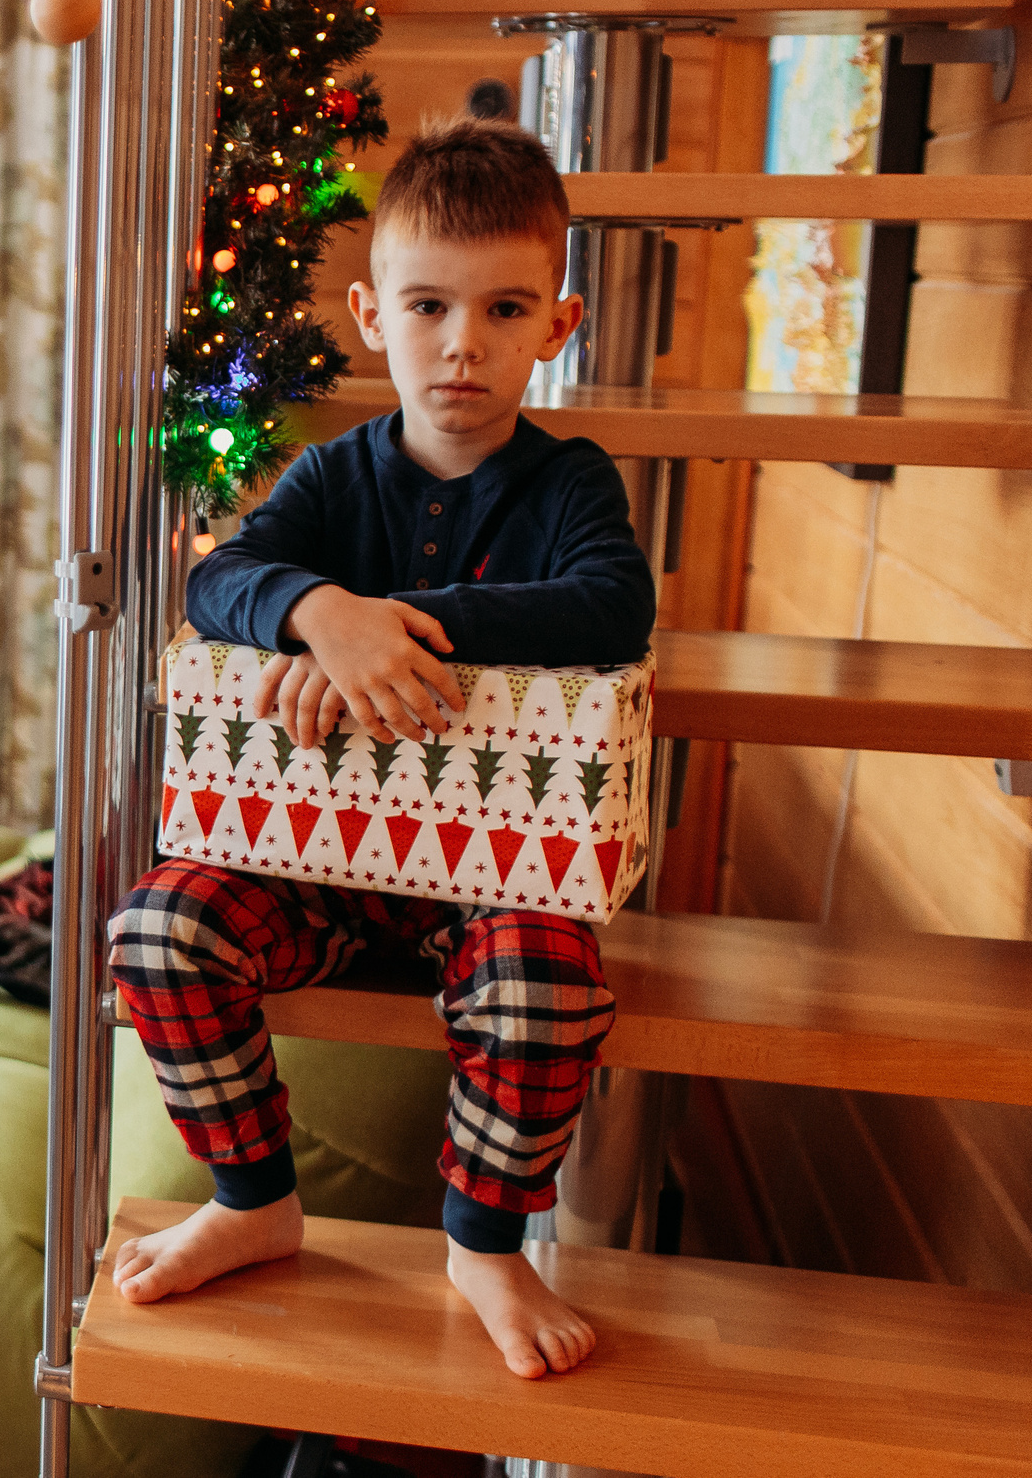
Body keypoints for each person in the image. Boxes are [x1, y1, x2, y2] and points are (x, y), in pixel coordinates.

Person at [106, 117, 654, 1381]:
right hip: (316, 865)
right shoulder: (330, 475)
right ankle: (253, 1196)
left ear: (556, 326)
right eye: (427, 306)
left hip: (498, 875)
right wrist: (317, 614)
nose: (462, 343)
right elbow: (218, 583)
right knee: (155, 930)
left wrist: (406, 630)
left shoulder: (570, 484)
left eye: (504, 308)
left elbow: (610, 604)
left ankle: (483, 1240)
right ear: (369, 315)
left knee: (545, 989)